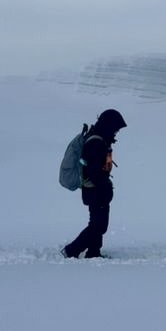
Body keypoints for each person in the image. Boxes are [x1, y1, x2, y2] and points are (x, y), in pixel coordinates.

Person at [64, 109, 127, 258]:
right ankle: (71, 250)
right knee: (99, 225)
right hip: (95, 191)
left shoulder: (98, 140)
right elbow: (94, 172)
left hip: (93, 190)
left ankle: (93, 252)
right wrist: (105, 188)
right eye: (116, 129)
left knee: (96, 224)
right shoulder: (96, 143)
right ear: (108, 126)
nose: (116, 132)